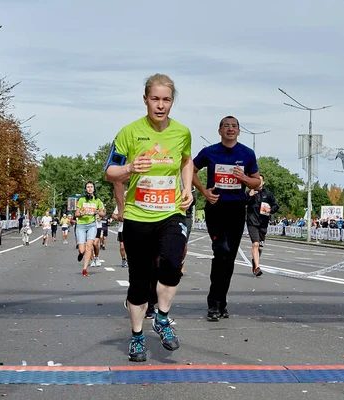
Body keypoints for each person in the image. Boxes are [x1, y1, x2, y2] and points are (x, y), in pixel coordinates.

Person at [105, 73, 193, 362]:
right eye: (155, 99)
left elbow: (186, 160)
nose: (160, 105)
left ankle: (163, 318)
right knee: (139, 283)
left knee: (171, 264)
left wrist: (187, 188)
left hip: (171, 213)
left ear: (172, 102)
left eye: (166, 100)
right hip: (138, 217)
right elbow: (110, 173)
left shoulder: (182, 133)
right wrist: (130, 167)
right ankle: (137, 336)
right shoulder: (128, 133)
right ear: (145, 100)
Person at [192, 115, 261, 322]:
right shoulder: (209, 152)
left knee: (229, 258)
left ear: (239, 131)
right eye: (226, 126)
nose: (230, 129)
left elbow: (257, 182)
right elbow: (189, 170)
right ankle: (213, 303)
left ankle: (221, 302)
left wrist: (244, 179)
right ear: (219, 130)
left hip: (237, 209)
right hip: (216, 208)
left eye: (234, 126)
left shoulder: (247, 153)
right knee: (220, 251)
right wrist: (204, 192)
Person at [246, 174, 278, 277]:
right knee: (255, 244)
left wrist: (271, 210)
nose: (258, 182)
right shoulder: (250, 193)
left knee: (260, 246)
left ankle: (254, 263)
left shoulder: (268, 194)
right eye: (256, 180)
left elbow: (276, 205)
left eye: (260, 180)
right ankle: (257, 267)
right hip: (252, 222)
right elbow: (242, 203)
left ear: (263, 182)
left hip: (263, 223)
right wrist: (249, 196)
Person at [75, 181, 105, 276]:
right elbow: (76, 214)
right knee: (82, 250)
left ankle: (84, 269)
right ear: (85, 189)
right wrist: (82, 213)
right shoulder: (82, 200)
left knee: (89, 246)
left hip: (92, 225)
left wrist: (97, 212)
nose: (90, 188)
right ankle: (81, 253)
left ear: (94, 188)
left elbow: (103, 213)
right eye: (88, 187)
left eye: (91, 187)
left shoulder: (97, 200)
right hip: (81, 226)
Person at [112, 203, 127, 268]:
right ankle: (123, 259)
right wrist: (119, 218)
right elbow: (113, 215)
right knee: (122, 246)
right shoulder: (120, 205)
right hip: (121, 229)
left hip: (133, 229)